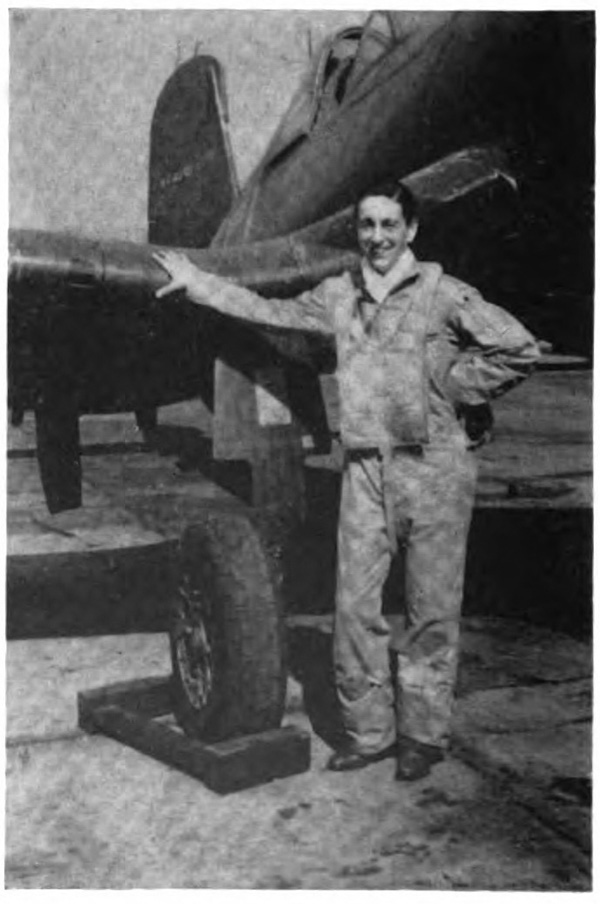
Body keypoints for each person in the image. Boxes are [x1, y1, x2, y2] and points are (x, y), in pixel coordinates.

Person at [153, 180, 540, 781]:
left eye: (389, 226)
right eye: (368, 227)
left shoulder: (444, 294)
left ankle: (421, 735)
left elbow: (517, 349)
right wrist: (203, 285)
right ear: (358, 233)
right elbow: (271, 310)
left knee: (430, 612)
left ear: (410, 230)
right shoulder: (339, 294)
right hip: (364, 469)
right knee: (354, 608)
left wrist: (454, 387)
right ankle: (369, 733)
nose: (378, 238)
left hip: (435, 468)